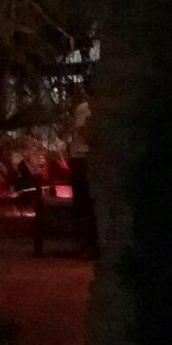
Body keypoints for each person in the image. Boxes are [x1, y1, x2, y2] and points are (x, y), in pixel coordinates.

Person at [69, 87, 97, 259]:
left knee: (88, 203)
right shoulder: (86, 109)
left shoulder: (91, 108)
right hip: (83, 159)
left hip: (87, 159)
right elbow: (83, 132)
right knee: (85, 203)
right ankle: (87, 245)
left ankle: (89, 245)